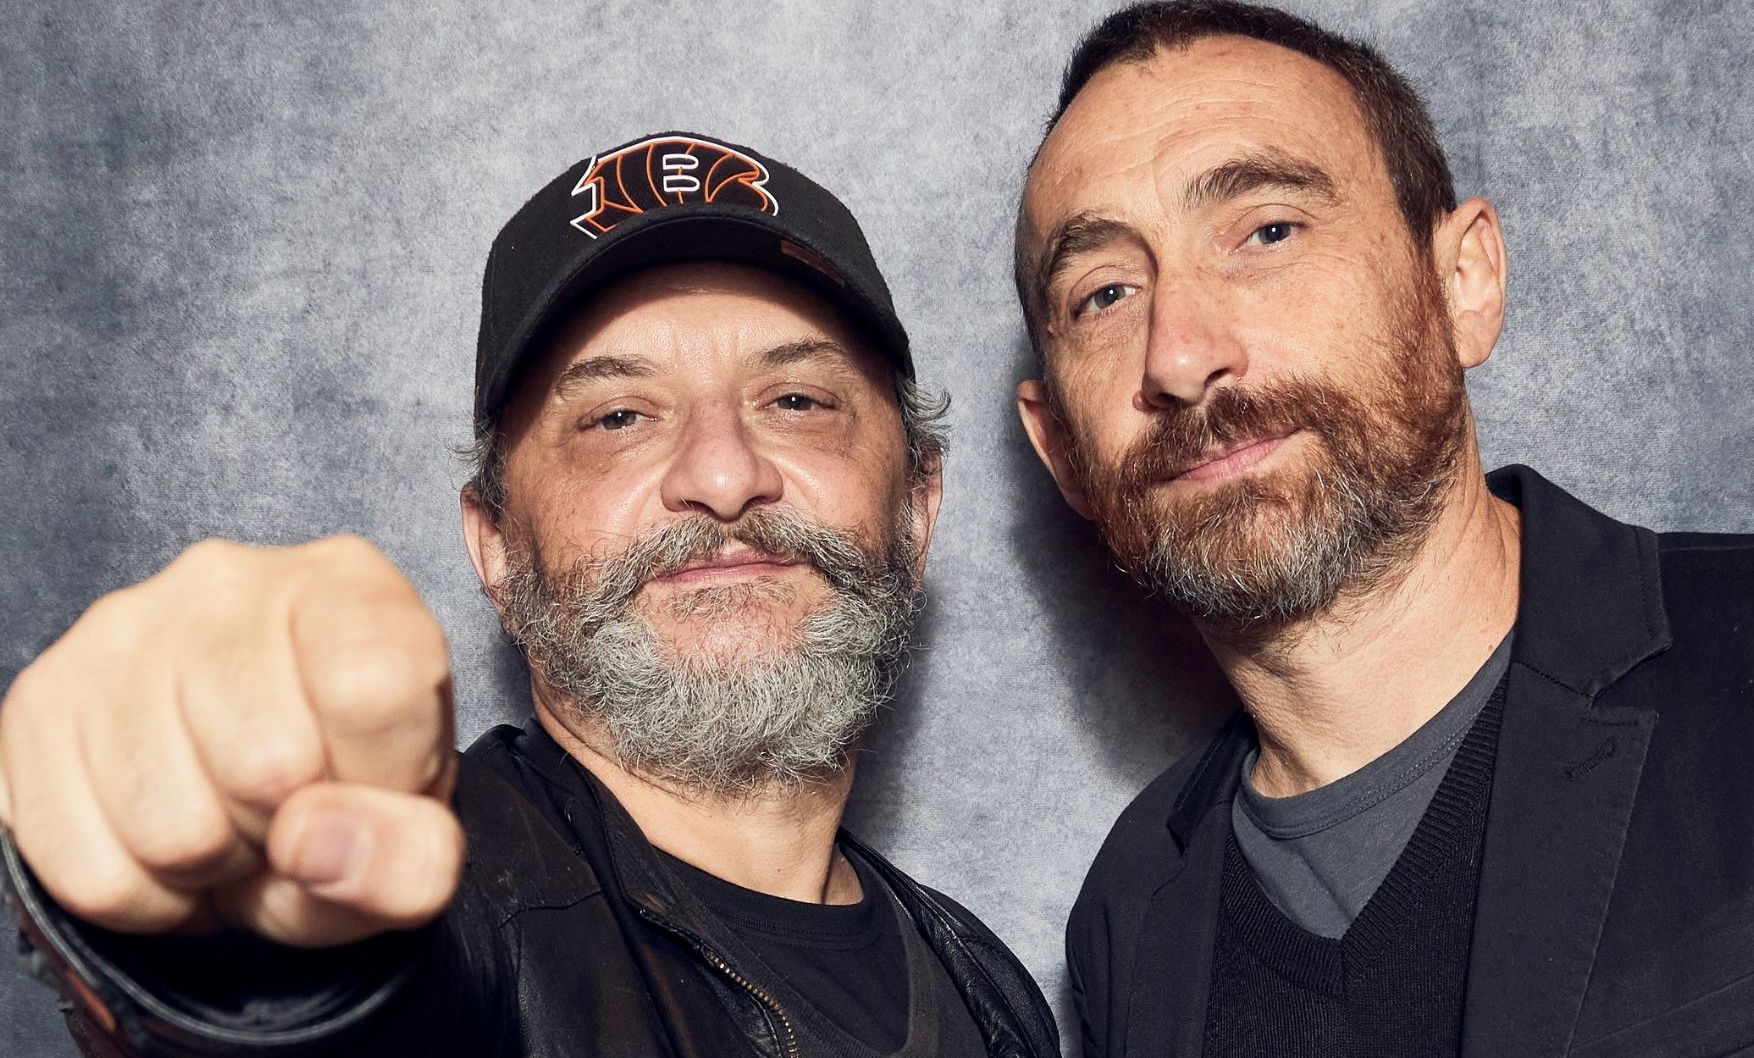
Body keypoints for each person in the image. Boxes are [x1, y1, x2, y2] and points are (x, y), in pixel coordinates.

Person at [1, 131, 1059, 1057]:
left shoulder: (987, 988)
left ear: (917, 507)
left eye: (795, 399)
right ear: (497, 546)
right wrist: (232, 913)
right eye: (618, 418)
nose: (723, 474)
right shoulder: (449, 913)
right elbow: (321, 1000)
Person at [1011, 0, 1754, 1058]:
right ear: (1060, 450)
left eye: (1268, 231)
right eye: (1106, 293)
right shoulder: (1131, 914)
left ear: (1463, 284)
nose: (1179, 353)